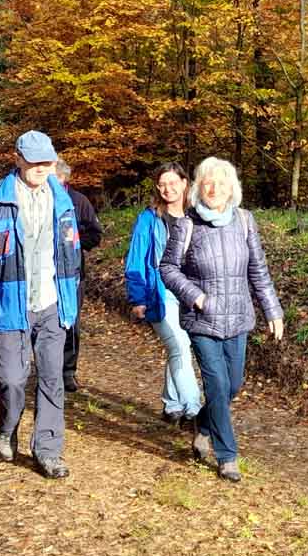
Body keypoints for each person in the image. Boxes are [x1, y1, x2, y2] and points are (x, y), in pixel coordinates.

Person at [0, 131, 82, 479]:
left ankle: (48, 451)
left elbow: (72, 254)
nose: (42, 167)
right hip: (9, 302)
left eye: (47, 162)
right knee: (10, 379)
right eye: (35, 161)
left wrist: (72, 298)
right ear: (19, 160)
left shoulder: (62, 199)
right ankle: (7, 427)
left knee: (52, 379)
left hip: (52, 303)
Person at [160, 157, 284, 482]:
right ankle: (227, 455)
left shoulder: (244, 221)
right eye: (207, 182)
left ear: (232, 188)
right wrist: (195, 296)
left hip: (238, 318)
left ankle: (203, 423)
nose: (213, 188)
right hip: (203, 320)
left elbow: (258, 270)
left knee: (232, 385)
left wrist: (272, 309)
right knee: (216, 384)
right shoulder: (187, 225)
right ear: (198, 187)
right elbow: (167, 268)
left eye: (221, 182)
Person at [125, 162, 201, 427]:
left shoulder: (196, 216)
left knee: (178, 348)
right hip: (160, 293)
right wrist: (137, 298)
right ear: (158, 187)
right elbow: (135, 261)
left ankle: (171, 405)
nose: (168, 189)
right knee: (179, 346)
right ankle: (193, 410)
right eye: (162, 184)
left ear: (184, 183)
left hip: (191, 293)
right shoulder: (149, 218)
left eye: (173, 183)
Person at [53, 160, 103, 393]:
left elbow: (95, 235)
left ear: (64, 179)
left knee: (71, 321)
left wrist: (71, 243)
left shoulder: (79, 202)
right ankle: (46, 368)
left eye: (54, 178)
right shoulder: (36, 200)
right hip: (42, 272)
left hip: (73, 273)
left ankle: (68, 371)